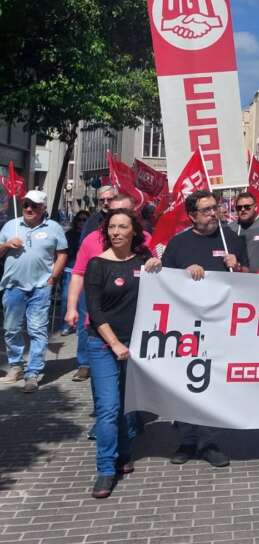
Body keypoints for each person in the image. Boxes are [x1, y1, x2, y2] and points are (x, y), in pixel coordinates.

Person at [159, 190, 248, 469]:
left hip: (221, 325)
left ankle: (209, 441)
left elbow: (250, 281)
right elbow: (164, 282)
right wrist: (185, 274)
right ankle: (187, 440)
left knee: (213, 385)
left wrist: (239, 266)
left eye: (216, 208)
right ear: (192, 216)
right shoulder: (178, 244)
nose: (213, 214)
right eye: (206, 210)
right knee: (187, 384)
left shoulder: (231, 238)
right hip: (186, 326)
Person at [83, 209, 158, 499]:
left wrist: (160, 266)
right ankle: (105, 468)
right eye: (111, 227)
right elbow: (95, 310)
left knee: (129, 404)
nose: (116, 231)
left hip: (136, 344)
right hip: (103, 344)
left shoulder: (143, 261)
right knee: (108, 407)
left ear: (133, 232)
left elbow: (168, 287)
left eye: (122, 226)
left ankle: (125, 453)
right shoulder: (97, 265)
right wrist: (114, 344)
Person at [66, 194, 153, 383]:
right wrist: (71, 307)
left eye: (124, 213)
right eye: (113, 213)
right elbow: (78, 273)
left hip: (132, 320)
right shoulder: (91, 239)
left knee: (129, 388)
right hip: (99, 314)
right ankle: (85, 364)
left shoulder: (145, 239)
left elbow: (154, 274)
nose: (116, 229)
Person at [0, 190, 68, 392]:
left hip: (40, 286)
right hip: (13, 286)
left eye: (34, 206)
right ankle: (16, 366)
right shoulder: (10, 225)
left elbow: (62, 253)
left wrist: (53, 277)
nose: (29, 209)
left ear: (43, 208)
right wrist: (6, 244)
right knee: (11, 329)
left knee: (37, 330)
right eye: (26, 205)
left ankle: (33, 373)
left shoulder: (54, 228)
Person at [231, 190, 259, 275]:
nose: (243, 210)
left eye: (247, 207)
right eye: (239, 208)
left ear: (255, 207)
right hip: (240, 278)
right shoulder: (231, 228)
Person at [60, 210, 89, 335]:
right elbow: (65, 252)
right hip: (70, 269)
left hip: (85, 271)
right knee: (67, 298)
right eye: (79, 219)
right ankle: (66, 325)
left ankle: (80, 325)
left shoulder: (91, 234)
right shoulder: (70, 234)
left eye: (85, 220)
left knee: (82, 301)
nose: (82, 222)